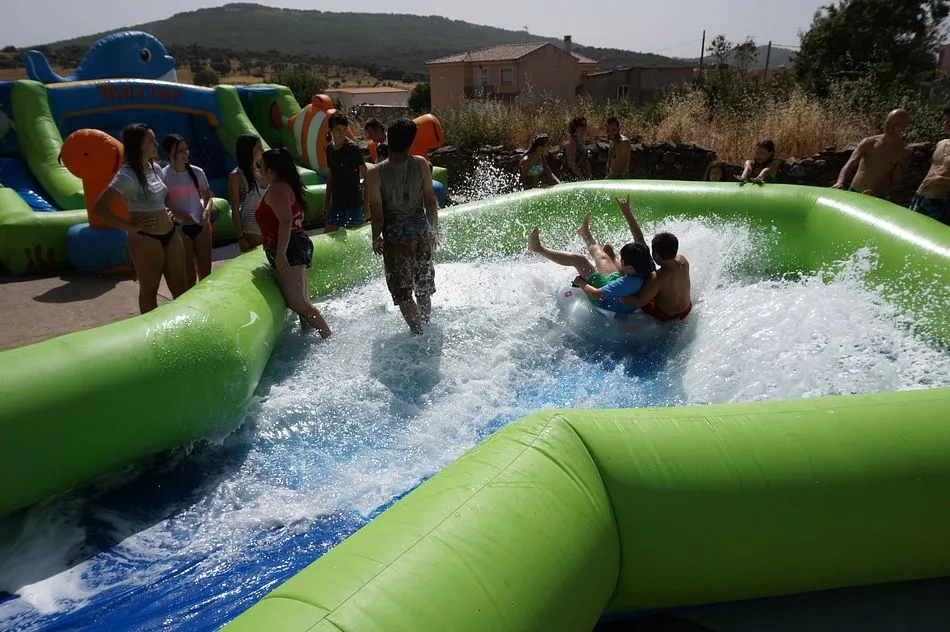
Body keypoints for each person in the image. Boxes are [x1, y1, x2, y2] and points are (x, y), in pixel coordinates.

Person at [91, 123, 186, 314]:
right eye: (151, 140)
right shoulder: (126, 175)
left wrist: (168, 210)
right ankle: (152, 337)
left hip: (171, 232)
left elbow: (161, 198)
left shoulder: (155, 168)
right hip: (146, 238)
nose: (156, 143)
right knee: (150, 291)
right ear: (139, 145)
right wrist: (129, 226)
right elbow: (99, 208)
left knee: (182, 291)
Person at [365, 118, 440, 335]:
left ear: (389, 137)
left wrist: (375, 237)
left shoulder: (375, 173)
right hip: (421, 235)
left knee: (403, 292)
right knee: (423, 288)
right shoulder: (422, 164)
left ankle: (418, 333)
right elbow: (430, 203)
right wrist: (432, 230)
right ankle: (425, 328)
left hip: (396, 240)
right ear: (411, 141)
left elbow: (377, 214)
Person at [255, 147, 332, 338]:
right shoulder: (285, 186)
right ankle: (307, 338)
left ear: (271, 171)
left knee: (298, 304)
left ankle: (329, 338)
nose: (258, 170)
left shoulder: (278, 189)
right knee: (302, 302)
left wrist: (280, 253)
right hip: (294, 244)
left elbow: (286, 220)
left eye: (260, 167)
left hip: (289, 247)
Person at [527, 211, 656, 315]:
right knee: (603, 257)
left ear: (631, 268)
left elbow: (595, 294)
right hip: (618, 291)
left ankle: (538, 248)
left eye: (622, 261)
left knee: (579, 259)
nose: (620, 261)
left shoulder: (626, 282)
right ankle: (585, 233)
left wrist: (581, 283)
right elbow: (639, 239)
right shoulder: (647, 267)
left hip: (605, 302)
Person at [613, 196, 692, 321]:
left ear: (656, 256)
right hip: (687, 309)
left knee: (637, 268)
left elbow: (639, 302)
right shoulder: (683, 261)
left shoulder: (656, 278)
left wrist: (616, 296)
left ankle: (617, 262)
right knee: (641, 249)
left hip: (665, 315)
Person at [162, 134, 214, 289]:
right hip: (180, 228)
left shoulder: (197, 172)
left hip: (201, 224)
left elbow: (208, 197)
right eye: (180, 151)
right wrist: (178, 216)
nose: (186, 153)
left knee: (206, 273)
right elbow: (164, 203)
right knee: (188, 274)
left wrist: (206, 211)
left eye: (186, 149)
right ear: (170, 153)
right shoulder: (164, 176)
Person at [832, 109, 909, 198]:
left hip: (876, 197)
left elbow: (897, 182)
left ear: (904, 127)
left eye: (896, 124)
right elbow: (851, 162)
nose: (890, 127)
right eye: (888, 123)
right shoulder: (869, 142)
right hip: (854, 190)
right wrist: (840, 181)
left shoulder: (903, 151)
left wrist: (878, 192)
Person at [323, 112, 368, 232]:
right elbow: (331, 175)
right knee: (328, 235)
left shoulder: (352, 148)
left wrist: (367, 204)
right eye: (338, 130)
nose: (342, 134)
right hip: (337, 202)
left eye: (344, 130)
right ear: (331, 130)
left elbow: (367, 175)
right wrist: (326, 202)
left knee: (354, 237)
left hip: (353, 202)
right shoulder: (330, 149)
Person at [908, 105, 950, 224]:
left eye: (947, 120)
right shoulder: (941, 143)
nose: (944, 122)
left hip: (937, 200)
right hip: (919, 196)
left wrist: (940, 179)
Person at [229, 133, 268, 252]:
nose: (262, 150)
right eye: (258, 147)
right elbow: (235, 209)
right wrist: (240, 237)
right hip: (252, 230)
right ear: (247, 150)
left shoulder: (263, 170)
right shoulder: (236, 176)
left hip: (269, 227)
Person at [564, 116, 592, 181]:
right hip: (572, 177)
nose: (584, 127)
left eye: (585, 125)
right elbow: (571, 163)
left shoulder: (581, 140)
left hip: (582, 174)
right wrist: (581, 177)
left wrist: (589, 173)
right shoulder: (572, 142)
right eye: (581, 125)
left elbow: (585, 158)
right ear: (575, 126)